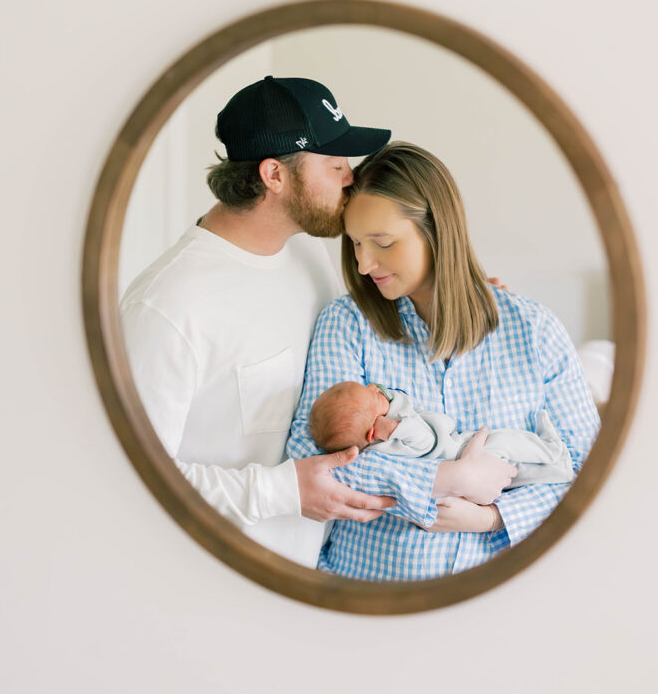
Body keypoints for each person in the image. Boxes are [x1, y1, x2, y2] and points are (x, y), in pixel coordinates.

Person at [120, 74, 403, 567]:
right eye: (335, 164)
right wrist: (282, 491)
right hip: (210, 591)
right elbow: (131, 478)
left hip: (311, 579)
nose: (352, 177)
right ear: (275, 175)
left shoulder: (311, 259)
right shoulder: (167, 305)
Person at [286, 142, 600, 580]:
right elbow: (310, 458)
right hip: (366, 593)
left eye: (382, 242)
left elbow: (591, 476)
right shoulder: (347, 324)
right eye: (355, 243)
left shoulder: (533, 331)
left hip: (499, 599)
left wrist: (492, 517)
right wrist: (443, 481)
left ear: (437, 231)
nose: (363, 264)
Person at [309, 380, 574, 488]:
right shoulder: (391, 439)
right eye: (373, 396)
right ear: (373, 432)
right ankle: (552, 451)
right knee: (510, 443)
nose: (375, 388)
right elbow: (428, 441)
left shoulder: (378, 441)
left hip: (463, 455)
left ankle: (557, 471)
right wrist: (397, 426)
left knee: (517, 472)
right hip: (464, 454)